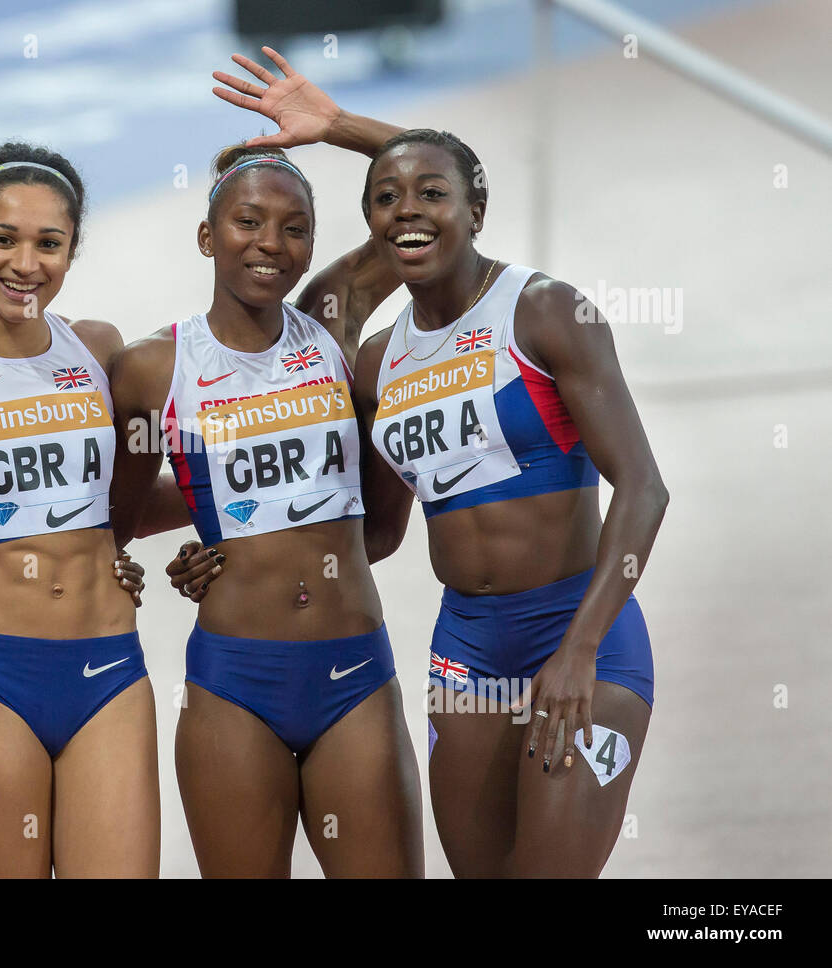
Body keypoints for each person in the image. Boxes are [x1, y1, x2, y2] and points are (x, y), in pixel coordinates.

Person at [204, 47, 668, 876]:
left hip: (581, 629)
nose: (407, 213)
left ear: (476, 209)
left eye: (432, 197)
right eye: (385, 200)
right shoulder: (375, 358)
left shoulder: (545, 313)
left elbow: (645, 488)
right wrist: (236, 558)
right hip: (469, 649)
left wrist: (580, 648)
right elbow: (375, 533)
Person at [109, 139, 424, 878]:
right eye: (248, 221)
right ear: (206, 236)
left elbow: (432, 183)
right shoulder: (155, 368)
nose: (271, 244)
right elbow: (117, 518)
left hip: (353, 671)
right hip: (233, 682)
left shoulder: (331, 320)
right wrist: (205, 530)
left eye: (294, 227)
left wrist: (333, 125)